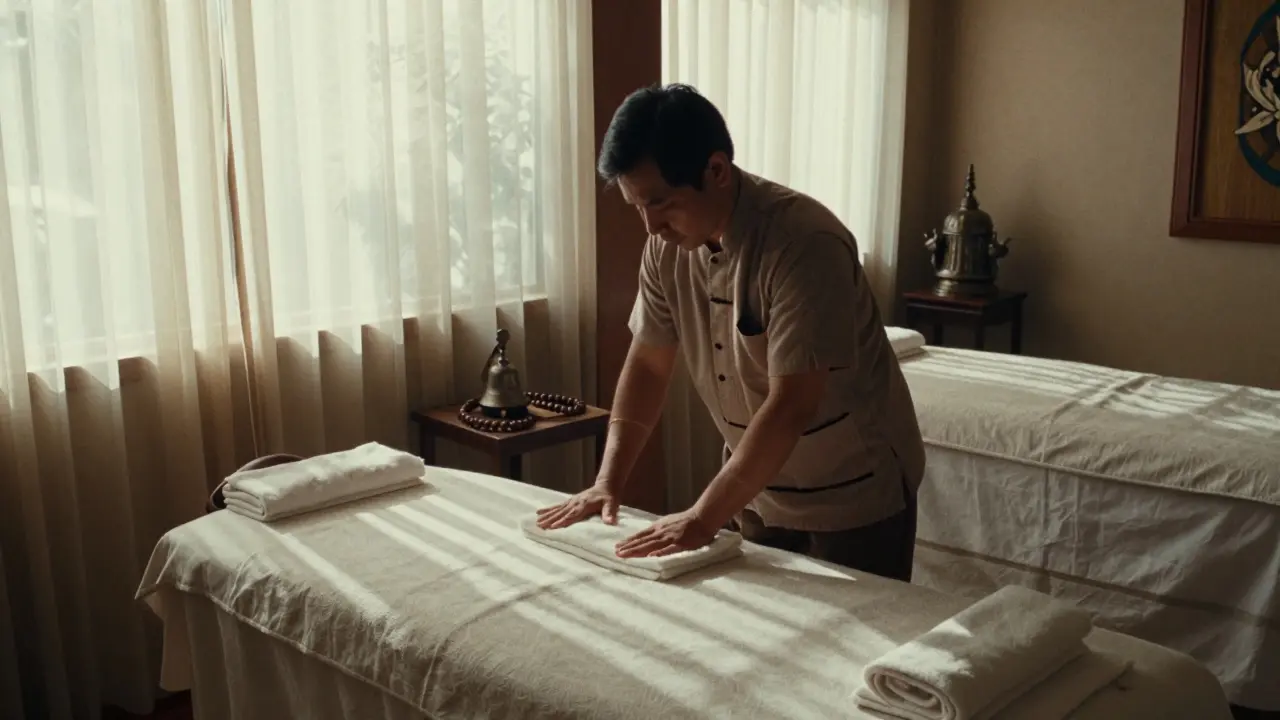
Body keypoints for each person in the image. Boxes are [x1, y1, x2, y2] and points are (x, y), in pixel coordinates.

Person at [535, 83, 925, 582]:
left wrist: (702, 516)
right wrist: (607, 481)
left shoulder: (804, 243)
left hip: (854, 491)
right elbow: (649, 365)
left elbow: (792, 405)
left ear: (716, 170)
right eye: (637, 206)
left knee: (857, 629)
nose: (650, 226)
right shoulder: (666, 248)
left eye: (661, 203)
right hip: (756, 488)